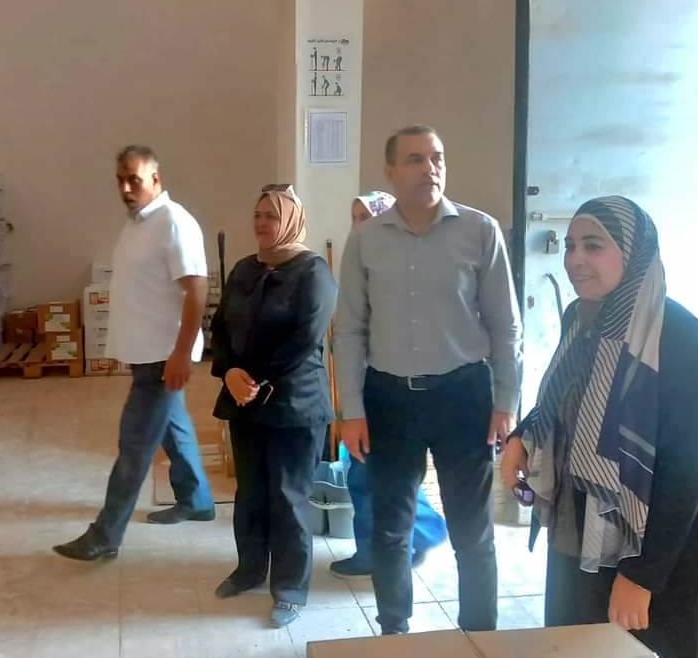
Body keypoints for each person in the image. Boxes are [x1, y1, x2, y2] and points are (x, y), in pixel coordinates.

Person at [501, 196, 698, 658]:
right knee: (574, 647)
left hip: (653, 547)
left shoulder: (679, 336)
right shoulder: (580, 318)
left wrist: (641, 576)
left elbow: (686, 473)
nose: (575, 259)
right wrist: (523, 436)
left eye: (593, 246)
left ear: (633, 252)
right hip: (578, 530)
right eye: (570, 245)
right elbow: (562, 400)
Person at [334, 125, 522, 635]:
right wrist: (352, 410)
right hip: (389, 400)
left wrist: (506, 402)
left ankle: (479, 636)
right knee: (390, 529)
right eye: (415, 159)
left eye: (436, 157)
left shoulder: (480, 231)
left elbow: (505, 325)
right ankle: (394, 630)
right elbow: (349, 330)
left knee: (472, 531)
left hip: (464, 396)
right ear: (391, 172)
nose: (430, 168)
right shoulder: (366, 239)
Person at [54, 145, 215, 562]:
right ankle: (197, 499)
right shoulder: (138, 224)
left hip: (164, 356)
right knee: (173, 427)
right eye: (120, 181)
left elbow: (197, 290)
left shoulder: (174, 222)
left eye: (135, 180)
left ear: (156, 179)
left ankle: (105, 534)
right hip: (147, 353)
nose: (126, 189)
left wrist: (182, 353)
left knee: (134, 444)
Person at [209, 184, 337, 628]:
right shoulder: (245, 269)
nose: (262, 223)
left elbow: (303, 339)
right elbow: (220, 328)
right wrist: (228, 371)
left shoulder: (314, 272)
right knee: (250, 492)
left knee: (288, 496)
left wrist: (255, 378)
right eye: (258, 215)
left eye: (272, 215)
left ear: (292, 220)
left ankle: (290, 589)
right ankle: (249, 570)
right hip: (243, 399)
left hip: (294, 404)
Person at [330, 191, 448, 579]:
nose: (359, 225)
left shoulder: (397, 273)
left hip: (388, 391)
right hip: (362, 391)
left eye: (366, 217)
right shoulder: (358, 264)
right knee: (370, 474)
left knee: (374, 476)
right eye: (354, 217)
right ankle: (407, 538)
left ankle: (400, 542)